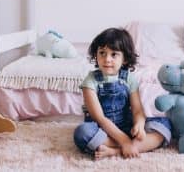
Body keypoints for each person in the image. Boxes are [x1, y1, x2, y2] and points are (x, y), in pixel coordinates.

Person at [73, 27, 171, 159]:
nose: (107, 59)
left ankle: (114, 151)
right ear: (96, 55)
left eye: (114, 54)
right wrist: (124, 140)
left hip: (126, 125)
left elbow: (137, 110)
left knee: (164, 125)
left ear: (124, 59)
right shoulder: (90, 81)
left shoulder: (129, 78)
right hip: (102, 130)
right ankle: (129, 146)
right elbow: (100, 119)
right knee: (82, 133)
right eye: (102, 53)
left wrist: (139, 125)